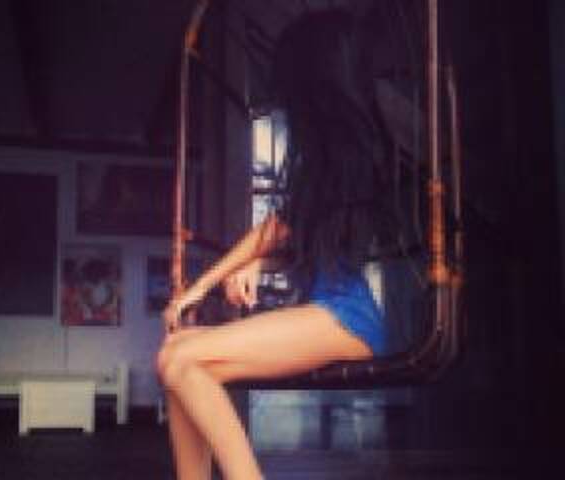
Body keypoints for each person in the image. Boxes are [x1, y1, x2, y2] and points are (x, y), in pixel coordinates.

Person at [157, 9, 393, 480]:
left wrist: (202, 285)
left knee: (181, 358)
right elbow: (299, 239)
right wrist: (257, 266)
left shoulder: (350, 154)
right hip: (329, 313)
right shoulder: (329, 160)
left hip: (347, 319)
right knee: (174, 353)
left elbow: (275, 230)